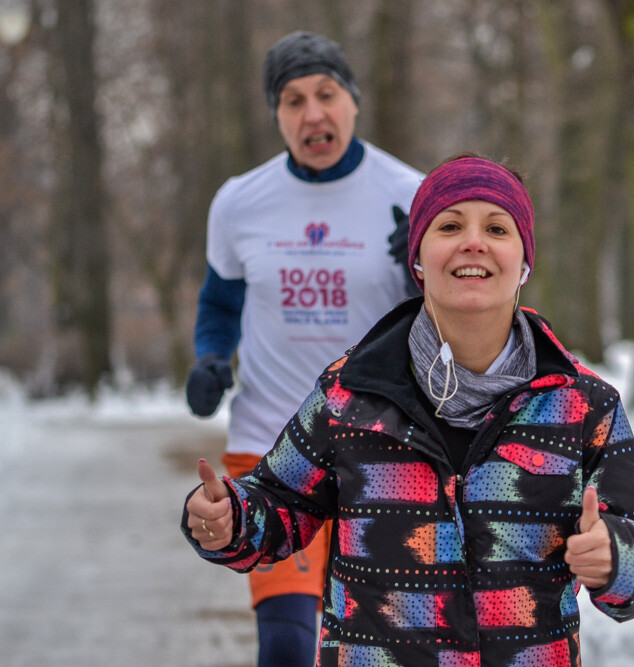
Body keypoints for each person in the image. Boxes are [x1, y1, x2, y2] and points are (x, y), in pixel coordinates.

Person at [183, 154, 634, 666]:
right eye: (450, 225)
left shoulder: (582, 405)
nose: (473, 241)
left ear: (524, 261)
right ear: (417, 258)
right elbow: (280, 504)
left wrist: (616, 558)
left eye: (497, 227)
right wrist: (231, 518)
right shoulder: (351, 396)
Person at [184, 30, 423, 666]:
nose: (313, 113)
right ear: (277, 115)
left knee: (372, 645)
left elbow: (449, 323)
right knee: (287, 642)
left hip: (381, 445)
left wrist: (419, 273)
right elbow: (220, 302)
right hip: (270, 446)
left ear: (353, 100)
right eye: (293, 100)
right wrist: (211, 357)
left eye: (326, 93)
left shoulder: (413, 195)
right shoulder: (239, 202)